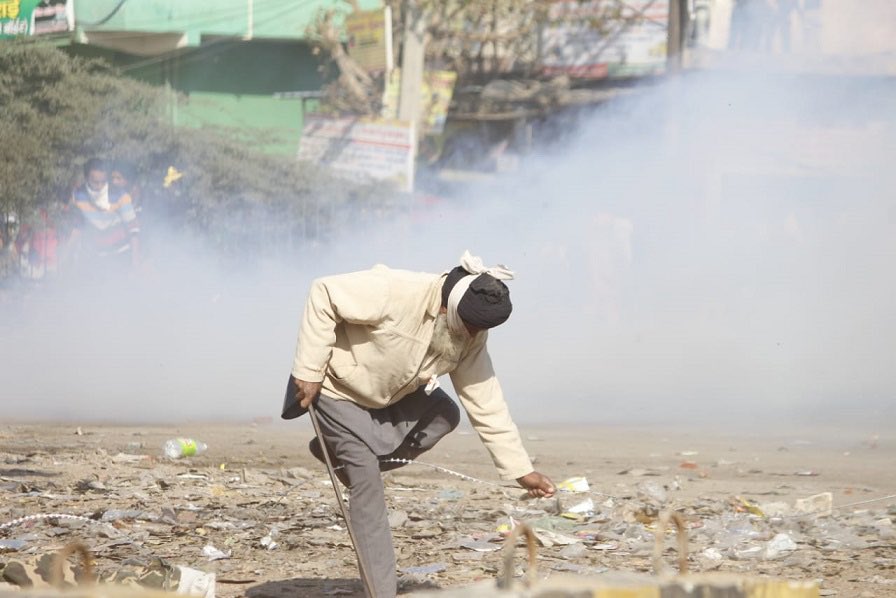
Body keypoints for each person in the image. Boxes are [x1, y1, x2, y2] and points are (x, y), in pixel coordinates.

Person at [282, 251, 555, 598]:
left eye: (478, 330)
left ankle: (345, 458)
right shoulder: (397, 290)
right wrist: (307, 370)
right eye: (468, 327)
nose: (471, 335)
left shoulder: (471, 335)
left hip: (387, 398)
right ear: (446, 308)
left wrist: (521, 470)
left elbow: (485, 400)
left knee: (445, 414)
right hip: (336, 390)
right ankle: (380, 591)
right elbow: (324, 292)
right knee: (369, 490)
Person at [69, 158, 140, 273]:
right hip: (93, 259)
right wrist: (67, 256)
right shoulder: (78, 195)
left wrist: (135, 263)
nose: (100, 186)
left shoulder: (121, 196)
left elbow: (134, 231)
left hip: (120, 256)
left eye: (103, 182)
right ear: (87, 179)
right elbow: (77, 227)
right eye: (95, 182)